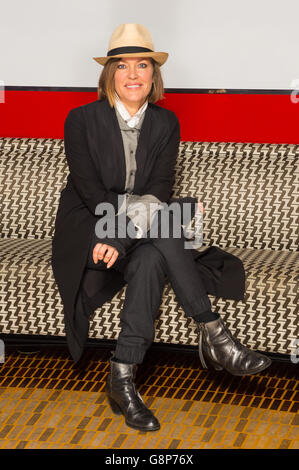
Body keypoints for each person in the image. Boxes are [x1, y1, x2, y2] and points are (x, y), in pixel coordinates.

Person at [51, 23, 271, 433]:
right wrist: (113, 233)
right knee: (172, 218)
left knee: (155, 250)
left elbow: (158, 188)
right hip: (88, 227)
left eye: (142, 65)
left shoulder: (166, 123)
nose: (133, 75)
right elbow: (91, 191)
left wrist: (131, 226)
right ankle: (216, 336)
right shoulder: (79, 119)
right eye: (122, 65)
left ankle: (122, 376)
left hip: (136, 229)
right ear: (109, 75)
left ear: (154, 75)